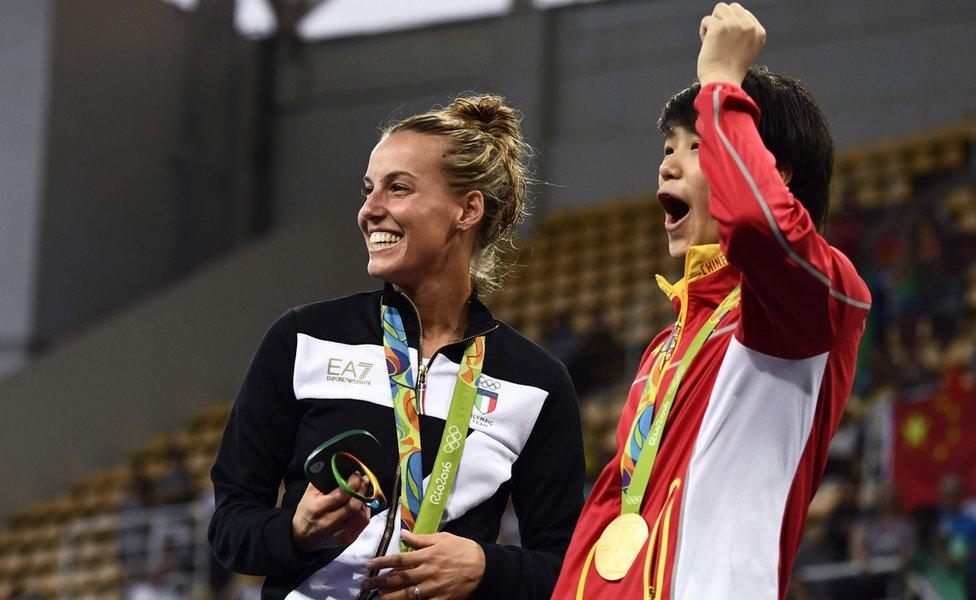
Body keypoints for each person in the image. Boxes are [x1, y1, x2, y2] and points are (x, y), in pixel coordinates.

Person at [208, 94, 584, 600]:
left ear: (466, 209)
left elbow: (567, 571)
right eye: (369, 190)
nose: (370, 210)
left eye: (398, 188)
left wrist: (484, 568)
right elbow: (230, 526)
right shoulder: (303, 339)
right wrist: (292, 532)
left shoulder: (536, 383)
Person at [552, 4, 871, 599]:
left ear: (774, 168)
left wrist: (722, 78)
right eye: (669, 146)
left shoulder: (808, 305)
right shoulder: (662, 350)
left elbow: (758, 225)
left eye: (695, 145)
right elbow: (604, 518)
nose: (666, 162)